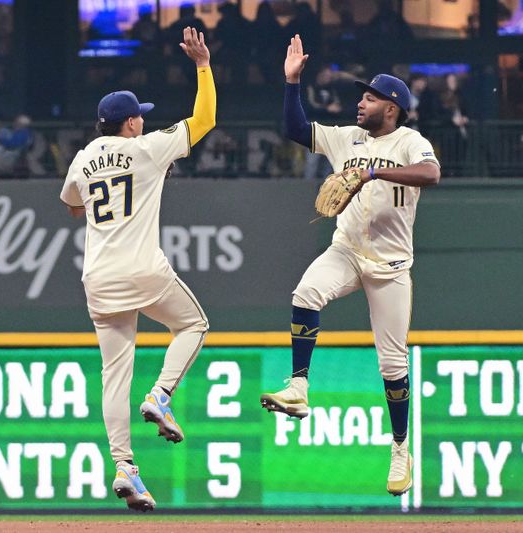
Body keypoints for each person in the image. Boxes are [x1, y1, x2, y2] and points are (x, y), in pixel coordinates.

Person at [260, 35, 441, 496]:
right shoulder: (348, 138)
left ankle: (401, 449)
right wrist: (292, 81)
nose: (360, 102)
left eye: (370, 97)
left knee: (392, 365)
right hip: (347, 251)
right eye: (362, 95)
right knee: (305, 293)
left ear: (393, 108)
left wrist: (373, 172)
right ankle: (299, 388)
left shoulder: (409, 141)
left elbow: (431, 174)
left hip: (392, 268)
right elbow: (296, 129)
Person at [59, 27, 215, 513]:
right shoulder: (148, 149)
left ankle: (125, 467)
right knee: (193, 324)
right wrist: (203, 66)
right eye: (138, 120)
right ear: (128, 124)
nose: (142, 125)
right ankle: (162, 395)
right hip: (142, 269)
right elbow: (204, 120)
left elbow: (71, 206)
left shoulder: (83, 158)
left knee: (113, 376)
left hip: (98, 278)